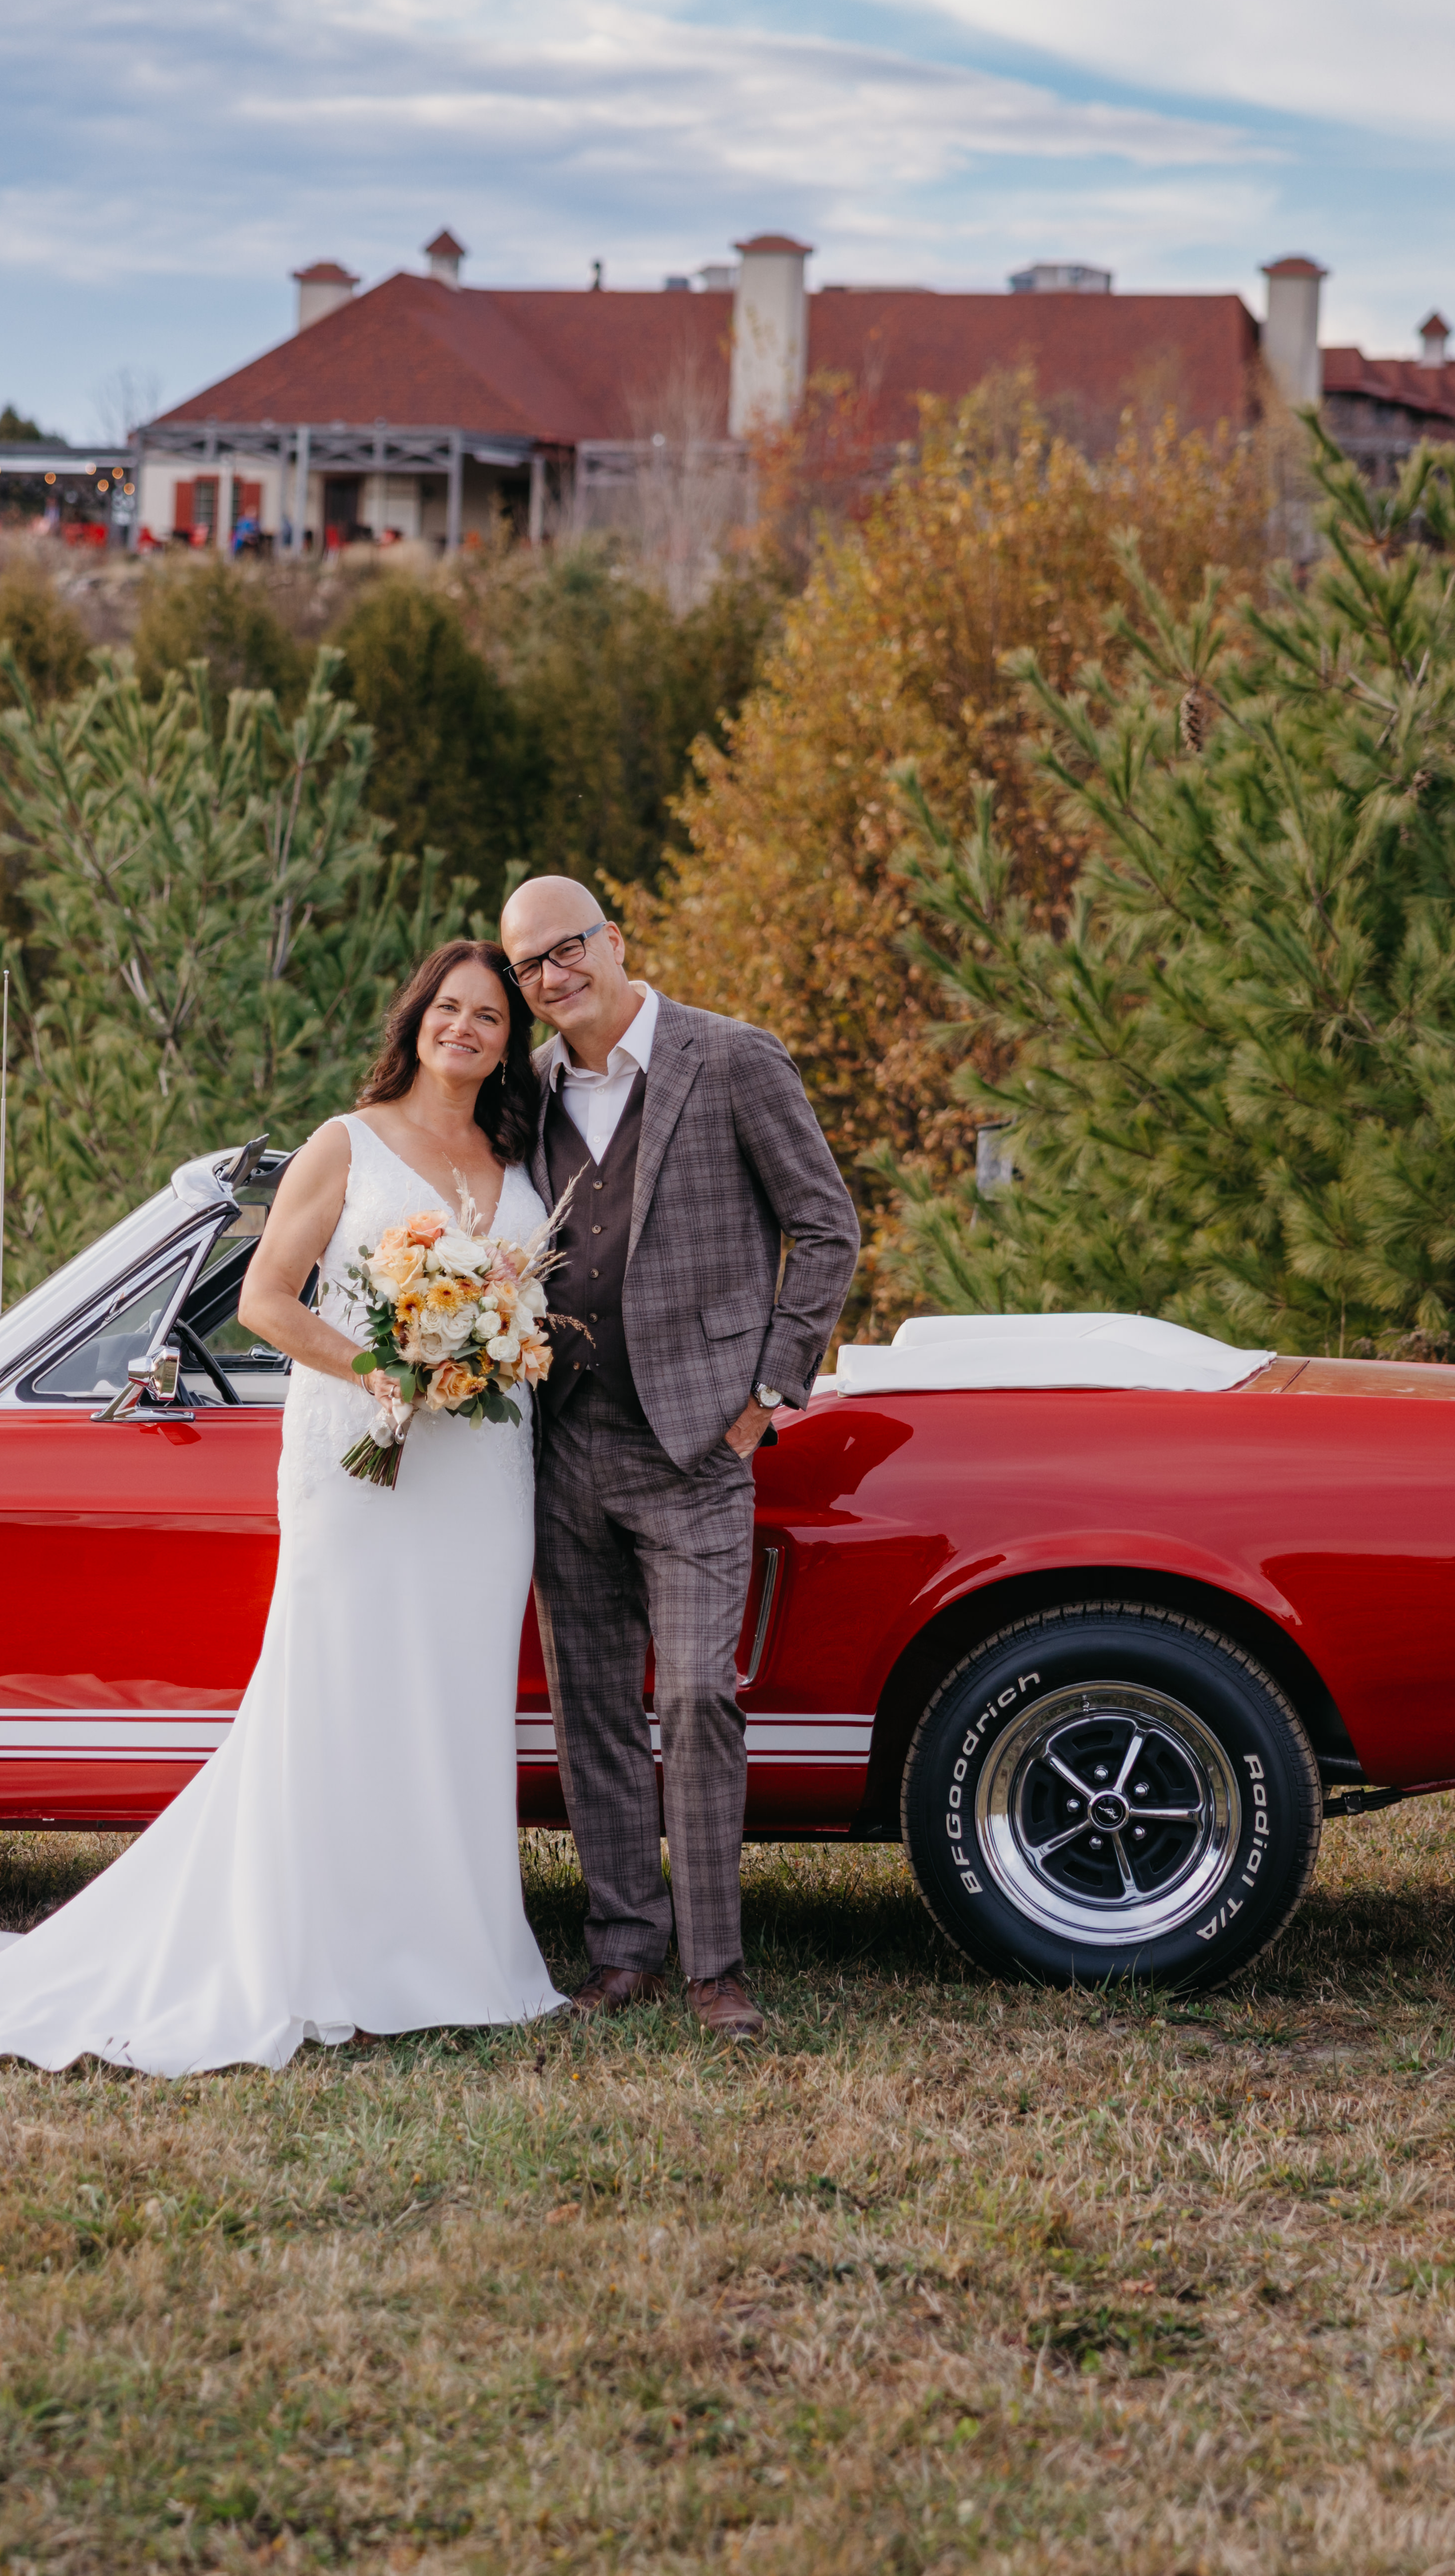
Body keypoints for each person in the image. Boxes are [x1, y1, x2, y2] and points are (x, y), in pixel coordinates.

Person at [0, 942, 568, 2074]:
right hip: (366, 1455)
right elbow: (264, 1302)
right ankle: (327, 1951)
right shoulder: (348, 1142)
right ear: (417, 1018)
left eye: (489, 1015)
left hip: (482, 1473)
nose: (467, 1029)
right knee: (342, 1690)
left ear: (507, 1039)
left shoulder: (513, 1153)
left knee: (453, 1700)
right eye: (450, 1007)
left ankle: (460, 1953)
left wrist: (488, 1345)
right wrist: (377, 1367)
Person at [496, 875, 859, 2044]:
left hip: (699, 1442)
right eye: (528, 966)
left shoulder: (731, 1057)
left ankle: (716, 1964)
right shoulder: (533, 1088)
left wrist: (764, 1397)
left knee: (701, 1695)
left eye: (567, 950)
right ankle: (624, 1949)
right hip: (565, 1441)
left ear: (614, 941)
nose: (553, 978)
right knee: (593, 1705)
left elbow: (827, 1225)